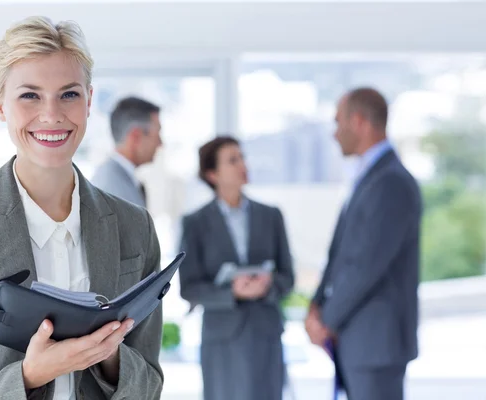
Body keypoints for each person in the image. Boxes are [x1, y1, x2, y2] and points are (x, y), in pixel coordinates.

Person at [0, 16, 163, 400]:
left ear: (90, 101)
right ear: (0, 105)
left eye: (69, 94)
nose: (52, 114)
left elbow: (150, 382)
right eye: (30, 95)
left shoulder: (135, 226)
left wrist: (109, 359)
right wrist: (30, 375)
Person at [305, 87, 422, 400]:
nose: (334, 133)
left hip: (376, 344)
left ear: (358, 122)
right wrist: (316, 306)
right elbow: (342, 253)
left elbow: (365, 265)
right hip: (362, 341)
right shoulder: (371, 176)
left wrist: (325, 320)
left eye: (338, 122)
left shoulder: (390, 182)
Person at [178, 136, 295, 400]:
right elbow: (189, 288)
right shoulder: (195, 223)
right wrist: (233, 292)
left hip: (266, 334)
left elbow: (288, 277)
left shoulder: (271, 216)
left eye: (242, 157)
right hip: (222, 340)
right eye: (233, 160)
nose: (243, 164)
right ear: (212, 174)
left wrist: (266, 286)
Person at [90, 96, 162, 208]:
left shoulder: (117, 178)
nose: (160, 143)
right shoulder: (111, 186)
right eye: (157, 134)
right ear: (136, 136)